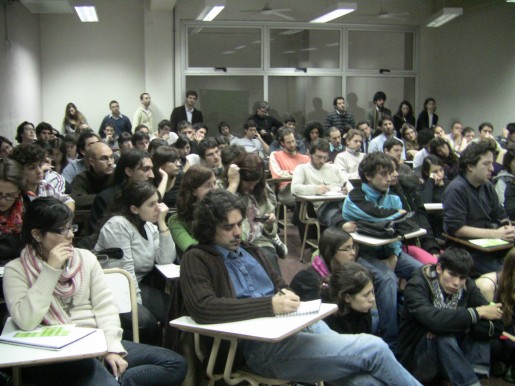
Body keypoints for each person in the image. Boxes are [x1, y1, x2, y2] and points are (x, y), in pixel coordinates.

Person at [181, 189, 421, 385]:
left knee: (363, 382)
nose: (236, 232)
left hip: (293, 327)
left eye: (238, 224)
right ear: (208, 228)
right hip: (259, 347)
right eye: (227, 227)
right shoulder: (198, 258)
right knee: (374, 348)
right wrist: (270, 305)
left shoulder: (252, 251)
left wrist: (288, 297)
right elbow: (203, 308)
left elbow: (281, 287)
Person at [2, 197, 187, 386]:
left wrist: (112, 349)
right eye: (62, 230)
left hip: (96, 341)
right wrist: (50, 270)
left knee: (174, 363)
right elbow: (26, 321)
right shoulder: (16, 270)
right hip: (54, 354)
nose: (70, 236)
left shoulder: (85, 259)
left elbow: (105, 307)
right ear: (37, 234)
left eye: (71, 227)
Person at [342, 152, 423, 349]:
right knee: (387, 279)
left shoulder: (393, 198)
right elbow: (380, 216)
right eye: (384, 174)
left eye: (391, 173)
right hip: (362, 254)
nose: (390, 178)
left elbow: (400, 228)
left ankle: (415, 324)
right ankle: (391, 340)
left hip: (390, 252)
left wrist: (394, 255)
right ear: (369, 176)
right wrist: (396, 216)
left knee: (424, 271)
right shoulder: (354, 198)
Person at [397, 247, 503, 385]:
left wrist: (461, 324)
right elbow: (434, 320)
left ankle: (477, 375)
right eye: (451, 274)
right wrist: (476, 313)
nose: (456, 283)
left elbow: (497, 324)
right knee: (443, 335)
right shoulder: (417, 285)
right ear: (439, 268)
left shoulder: (467, 285)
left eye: (462, 277)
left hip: (454, 355)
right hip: (417, 359)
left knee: (471, 325)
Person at [94, 182, 177, 344]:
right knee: (146, 323)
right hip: (111, 289)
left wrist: (162, 223)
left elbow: (165, 260)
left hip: (135, 285)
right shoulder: (117, 225)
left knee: (174, 311)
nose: (158, 208)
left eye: (158, 203)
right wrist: (136, 307)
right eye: (151, 204)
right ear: (134, 209)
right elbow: (124, 271)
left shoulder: (149, 227)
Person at [443, 141, 515, 274]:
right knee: (507, 275)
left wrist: (507, 228)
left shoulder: (487, 186)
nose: (492, 169)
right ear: (470, 166)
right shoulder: (456, 189)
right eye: (486, 164)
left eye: (492, 163)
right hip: (468, 251)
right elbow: (457, 229)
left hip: (494, 247)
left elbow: (501, 215)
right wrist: (496, 234)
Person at [226, 152, 286, 267]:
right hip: (236, 242)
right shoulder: (227, 188)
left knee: (268, 259)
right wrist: (233, 185)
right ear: (239, 177)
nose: (251, 187)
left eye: (255, 183)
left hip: (260, 240)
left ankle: (277, 285)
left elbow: (272, 228)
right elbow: (220, 211)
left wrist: (269, 224)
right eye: (248, 183)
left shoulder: (260, 191)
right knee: (249, 262)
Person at [89, 148, 156, 232]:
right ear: (129, 171)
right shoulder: (105, 198)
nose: (152, 175)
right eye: (146, 169)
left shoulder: (150, 196)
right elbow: (97, 234)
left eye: (151, 169)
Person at [291, 138, 352, 227]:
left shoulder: (334, 168)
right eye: (319, 157)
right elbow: (294, 188)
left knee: (357, 213)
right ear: (310, 154)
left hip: (342, 202)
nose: (322, 161)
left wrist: (347, 189)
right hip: (323, 207)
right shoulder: (302, 169)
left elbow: (349, 186)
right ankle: (343, 226)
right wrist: (315, 189)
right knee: (337, 216)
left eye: (325, 157)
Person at [289, 227, 358, 301]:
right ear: (331, 251)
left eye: (352, 247)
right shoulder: (311, 279)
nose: (353, 253)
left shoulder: (345, 271)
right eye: (347, 249)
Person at [167, 165, 217, 254]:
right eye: (208, 185)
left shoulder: (222, 212)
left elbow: (239, 239)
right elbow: (192, 249)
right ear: (193, 190)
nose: (214, 189)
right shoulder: (175, 221)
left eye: (215, 183)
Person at [11, 144, 75, 211]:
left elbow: (68, 200)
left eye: (40, 165)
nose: (39, 171)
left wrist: (65, 218)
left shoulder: (45, 186)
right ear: (19, 170)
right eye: (32, 168)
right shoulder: (15, 194)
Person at [327, 262, 376, 335]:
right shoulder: (330, 323)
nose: (372, 299)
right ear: (347, 298)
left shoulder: (363, 311)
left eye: (372, 292)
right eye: (366, 295)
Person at [268, 127, 310, 207]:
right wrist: (299, 173)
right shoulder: (275, 155)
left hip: (305, 187)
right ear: (282, 143)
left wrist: (290, 173)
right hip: (287, 190)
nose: (292, 144)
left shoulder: (305, 158)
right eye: (288, 142)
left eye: (293, 141)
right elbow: (277, 175)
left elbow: (311, 173)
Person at [71, 142, 114, 209]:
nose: (110, 163)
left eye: (111, 157)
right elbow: (76, 199)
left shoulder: (118, 175)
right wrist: (104, 197)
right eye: (104, 158)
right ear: (92, 162)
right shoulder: (82, 177)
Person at [0, 158, 27, 262]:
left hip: (20, 267)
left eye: (10, 195)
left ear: (19, 191)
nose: (3, 201)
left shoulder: (28, 205)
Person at [419, 155, 449, 239]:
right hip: (432, 225)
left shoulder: (449, 185)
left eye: (441, 170)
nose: (439, 174)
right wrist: (431, 181)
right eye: (435, 172)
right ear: (426, 173)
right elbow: (425, 204)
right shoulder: (424, 187)